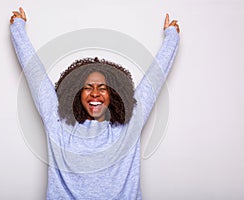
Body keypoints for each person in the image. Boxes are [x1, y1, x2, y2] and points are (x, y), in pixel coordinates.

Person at [10, 7, 180, 199]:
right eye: (88, 87)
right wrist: (18, 29)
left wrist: (171, 38)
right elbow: (36, 76)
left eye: (103, 88)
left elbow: (153, 80)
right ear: (76, 93)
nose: (95, 94)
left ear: (114, 94)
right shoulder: (57, 123)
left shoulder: (129, 125)